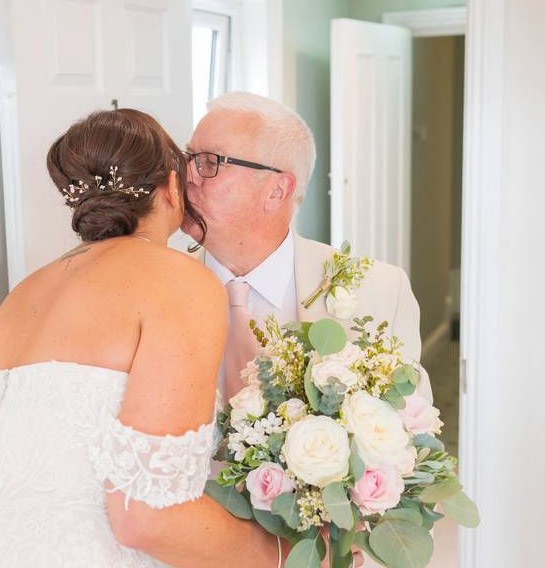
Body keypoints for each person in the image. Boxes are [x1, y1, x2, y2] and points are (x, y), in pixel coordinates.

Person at [0, 109, 288, 566]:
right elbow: (146, 518)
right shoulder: (180, 281)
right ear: (173, 187)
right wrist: (284, 555)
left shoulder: (20, 297)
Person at [183, 92, 433, 567]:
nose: (187, 176)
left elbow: (407, 450)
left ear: (277, 190)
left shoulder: (379, 289)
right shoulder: (151, 290)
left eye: (210, 162)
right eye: (188, 158)